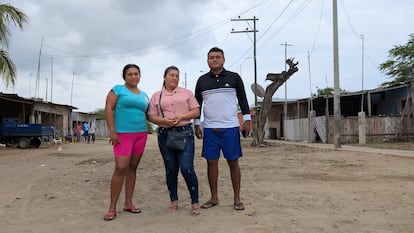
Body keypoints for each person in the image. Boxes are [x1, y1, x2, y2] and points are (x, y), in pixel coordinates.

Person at [194, 47, 251, 211]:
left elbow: (243, 98)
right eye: (211, 57)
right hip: (210, 128)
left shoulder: (234, 78)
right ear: (207, 61)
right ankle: (214, 197)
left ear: (223, 60)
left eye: (217, 57)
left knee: (233, 162)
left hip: (231, 128)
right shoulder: (202, 80)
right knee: (211, 162)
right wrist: (197, 124)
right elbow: (197, 104)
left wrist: (247, 120)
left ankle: (237, 198)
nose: (214, 59)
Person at [147, 66, 201, 215]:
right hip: (165, 134)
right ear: (164, 77)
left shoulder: (187, 93)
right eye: (171, 75)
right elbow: (151, 115)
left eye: (177, 76)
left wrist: (182, 117)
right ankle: (174, 201)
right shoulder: (156, 96)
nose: (175, 78)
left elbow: (196, 111)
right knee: (171, 169)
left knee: (187, 168)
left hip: (185, 133)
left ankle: (195, 201)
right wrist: (163, 121)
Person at [103, 64, 149, 221]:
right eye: (130, 74)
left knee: (132, 167)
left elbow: (149, 114)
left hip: (141, 135)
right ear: (125, 77)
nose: (133, 76)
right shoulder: (118, 90)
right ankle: (112, 207)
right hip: (123, 135)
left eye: (136, 74)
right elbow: (108, 108)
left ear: (140, 76)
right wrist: (112, 131)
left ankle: (128, 203)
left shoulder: (144, 95)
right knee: (121, 167)